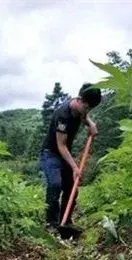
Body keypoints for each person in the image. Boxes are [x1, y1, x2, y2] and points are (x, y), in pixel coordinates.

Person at [39, 82, 101, 230]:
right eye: (86, 107)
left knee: (72, 187)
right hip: (51, 153)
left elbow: (84, 116)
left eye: (90, 108)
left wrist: (90, 124)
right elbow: (61, 145)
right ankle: (51, 224)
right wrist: (75, 167)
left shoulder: (80, 108)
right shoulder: (63, 116)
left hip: (65, 153)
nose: (87, 111)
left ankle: (65, 221)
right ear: (79, 100)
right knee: (55, 185)